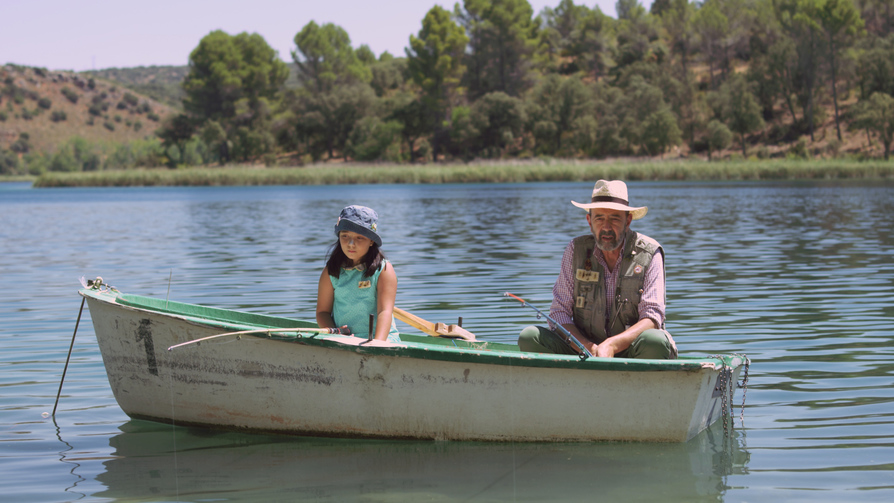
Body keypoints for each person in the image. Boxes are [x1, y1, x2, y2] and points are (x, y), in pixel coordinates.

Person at [518, 180, 677, 359]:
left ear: (628, 221)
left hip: (632, 351)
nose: (606, 227)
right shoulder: (575, 250)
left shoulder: (649, 253)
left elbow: (652, 317)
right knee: (530, 337)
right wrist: (587, 347)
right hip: (582, 350)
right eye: (599, 218)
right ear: (589, 221)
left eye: (615, 218)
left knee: (654, 341)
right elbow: (559, 313)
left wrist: (611, 345)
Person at [316, 205, 400, 342]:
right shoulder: (331, 271)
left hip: (382, 340)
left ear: (371, 240)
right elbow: (322, 312)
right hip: (343, 340)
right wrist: (334, 333)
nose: (350, 243)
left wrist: (377, 344)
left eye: (359, 238)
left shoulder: (383, 270)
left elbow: (385, 311)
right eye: (345, 236)